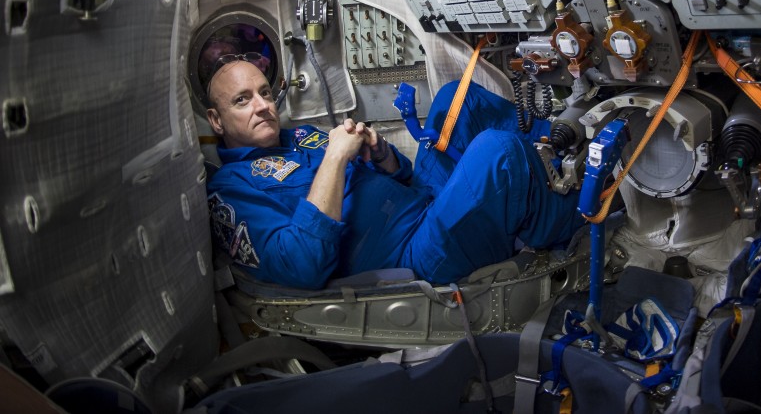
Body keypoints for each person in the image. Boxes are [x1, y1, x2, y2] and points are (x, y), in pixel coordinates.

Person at [204, 58, 583, 290]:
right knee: (495, 152)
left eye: (266, 93)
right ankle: (579, 215)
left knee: (457, 97)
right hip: (412, 256)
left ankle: (563, 149)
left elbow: (398, 175)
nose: (262, 106)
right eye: (243, 100)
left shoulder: (300, 137)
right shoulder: (232, 189)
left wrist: (383, 155)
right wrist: (335, 159)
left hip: (422, 199)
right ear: (216, 121)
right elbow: (300, 266)